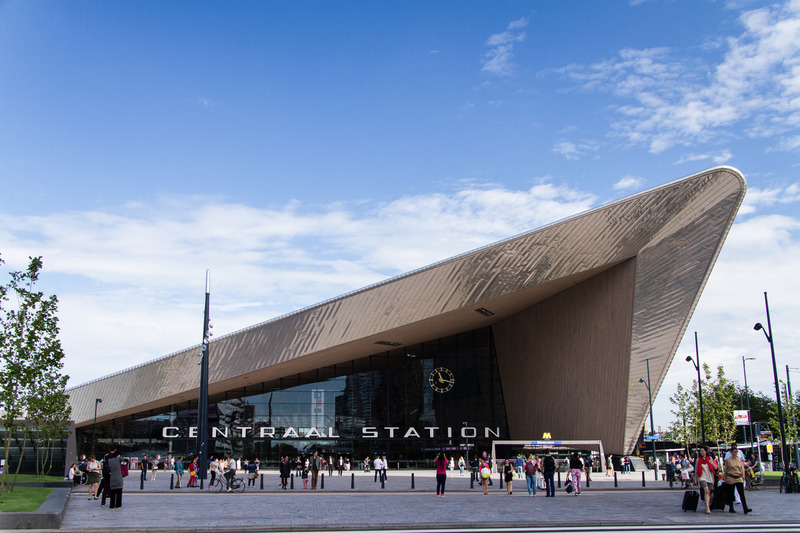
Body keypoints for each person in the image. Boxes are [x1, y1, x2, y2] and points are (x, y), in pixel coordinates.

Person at [724, 443, 752, 514]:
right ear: (731, 452)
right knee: (731, 493)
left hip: (738, 477)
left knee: (741, 493)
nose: (735, 453)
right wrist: (725, 478)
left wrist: (743, 477)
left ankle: (745, 508)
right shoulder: (728, 460)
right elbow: (726, 470)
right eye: (734, 451)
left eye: (736, 451)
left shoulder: (739, 459)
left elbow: (742, 468)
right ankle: (731, 507)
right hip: (731, 477)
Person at [694, 445, 718, 515]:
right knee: (706, 490)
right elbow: (696, 470)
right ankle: (707, 507)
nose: (701, 452)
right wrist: (695, 479)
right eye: (700, 451)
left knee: (709, 492)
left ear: (705, 452)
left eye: (702, 451)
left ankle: (707, 504)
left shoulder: (709, 458)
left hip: (709, 476)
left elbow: (714, 468)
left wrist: (711, 463)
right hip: (702, 477)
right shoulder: (698, 460)